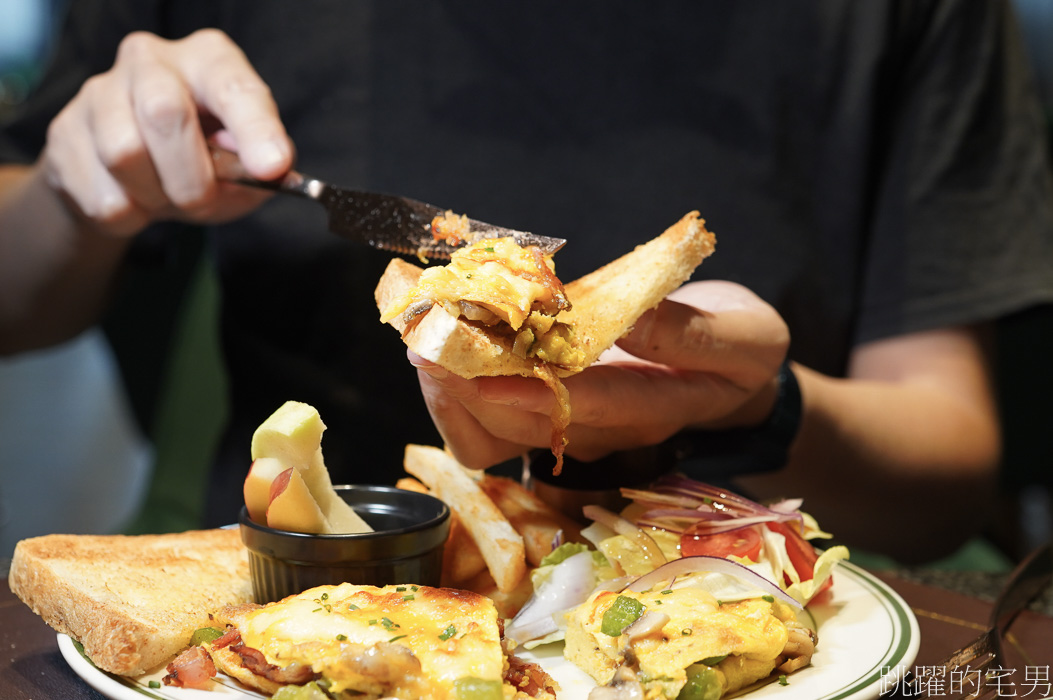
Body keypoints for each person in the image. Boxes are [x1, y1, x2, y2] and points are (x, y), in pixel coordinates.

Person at [1, 2, 1051, 562]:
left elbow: (945, 467)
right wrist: (73, 187)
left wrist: (761, 408)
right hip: (294, 586)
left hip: (734, 596)